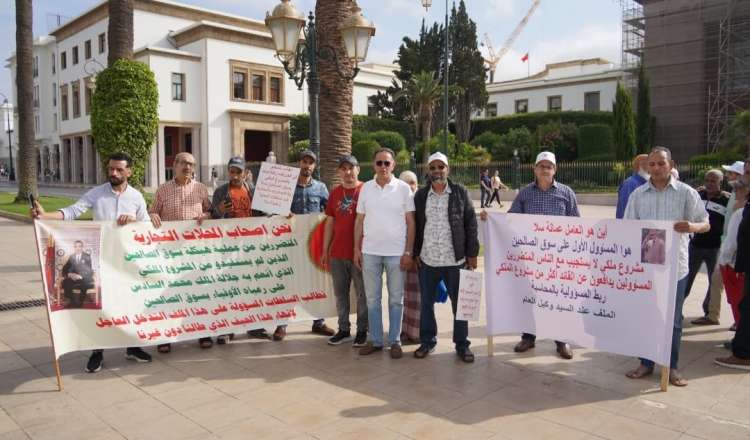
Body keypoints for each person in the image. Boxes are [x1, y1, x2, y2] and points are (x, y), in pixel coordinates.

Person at [31, 152, 152, 373]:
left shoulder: (136, 197)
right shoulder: (97, 193)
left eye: (119, 169)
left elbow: (146, 225)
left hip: (127, 261)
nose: (113, 173)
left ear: (129, 172)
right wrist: (45, 215)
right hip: (101, 261)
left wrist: (133, 220)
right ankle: (97, 352)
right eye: (111, 168)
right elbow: (73, 211)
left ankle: (132, 348)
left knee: (129, 303)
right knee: (99, 307)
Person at [623, 146, 710, 386]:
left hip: (675, 268)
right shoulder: (638, 195)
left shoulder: (686, 193)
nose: (656, 168)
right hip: (647, 267)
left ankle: (670, 366)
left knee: (673, 320)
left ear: (671, 165)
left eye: (661, 163)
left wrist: (691, 227)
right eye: (652, 164)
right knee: (647, 316)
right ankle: (646, 362)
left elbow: (705, 223)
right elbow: (627, 227)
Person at [485, 151, 579, 360]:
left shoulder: (566, 193)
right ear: (535, 169)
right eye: (541, 166)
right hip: (530, 259)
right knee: (529, 298)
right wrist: (490, 219)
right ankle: (528, 337)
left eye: (549, 166)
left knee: (557, 300)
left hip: (557, 259)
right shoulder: (525, 194)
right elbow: (510, 220)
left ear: (555, 170)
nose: (545, 169)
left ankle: (561, 340)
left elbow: (576, 224)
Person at [412, 152, 479, 363]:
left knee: (459, 305)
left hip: (455, 261)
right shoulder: (421, 195)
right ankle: (427, 341)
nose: (437, 171)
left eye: (441, 167)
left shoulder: (460, 192)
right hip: (428, 260)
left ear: (447, 169)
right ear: (428, 171)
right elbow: (415, 226)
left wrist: (472, 254)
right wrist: (415, 253)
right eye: (433, 167)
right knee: (426, 304)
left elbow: (471, 223)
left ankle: (462, 344)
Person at [354, 147, 415, 359]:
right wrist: (356, 248)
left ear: (393, 165)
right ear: (374, 165)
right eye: (379, 163)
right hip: (370, 252)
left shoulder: (404, 189)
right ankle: (376, 340)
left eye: (386, 163)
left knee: (396, 299)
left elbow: (411, 222)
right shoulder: (366, 188)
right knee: (372, 299)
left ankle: (395, 341)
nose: (383, 167)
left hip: (396, 253)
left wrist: (408, 251)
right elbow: (359, 221)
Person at [149, 152, 213, 353]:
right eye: (184, 163)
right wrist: (153, 215)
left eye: (191, 164)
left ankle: (202, 332)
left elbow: (210, 211)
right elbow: (152, 211)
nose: (188, 167)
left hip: (194, 251)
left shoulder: (201, 188)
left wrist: (206, 215)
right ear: (175, 165)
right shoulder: (163, 189)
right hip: (169, 252)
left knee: (197, 292)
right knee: (169, 294)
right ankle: (165, 335)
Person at [272, 149, 334, 341]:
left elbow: (330, 212)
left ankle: (318, 322)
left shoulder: (321, 188)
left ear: (314, 166)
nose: (307, 165)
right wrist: (283, 212)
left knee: (315, 281)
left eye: (310, 162)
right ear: (299, 163)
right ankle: (282, 323)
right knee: (289, 283)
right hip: (290, 244)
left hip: (313, 244)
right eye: (304, 162)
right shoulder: (286, 187)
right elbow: (272, 211)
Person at [322, 155, 368, 347]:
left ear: (358, 169)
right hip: (338, 254)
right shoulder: (335, 193)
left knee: (362, 294)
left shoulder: (367, 190)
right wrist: (325, 250)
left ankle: (363, 330)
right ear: (339, 171)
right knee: (341, 294)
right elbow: (330, 222)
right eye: (344, 168)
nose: (348, 172)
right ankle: (343, 329)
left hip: (361, 253)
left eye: (351, 168)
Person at [211, 156, 255, 342]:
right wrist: (220, 210)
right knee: (228, 287)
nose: (235, 175)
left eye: (238, 172)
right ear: (228, 172)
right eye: (232, 171)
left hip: (250, 246)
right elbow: (212, 218)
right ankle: (226, 328)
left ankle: (254, 326)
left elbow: (263, 214)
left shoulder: (252, 190)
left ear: (245, 173)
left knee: (252, 286)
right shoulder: (221, 191)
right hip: (228, 246)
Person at [716, 159, 750, 370]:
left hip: (738, 266)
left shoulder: (741, 211)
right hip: (741, 265)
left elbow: (734, 242)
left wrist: (726, 260)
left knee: (743, 307)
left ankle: (743, 352)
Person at [684, 169, 728, 325]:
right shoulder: (698, 195)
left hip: (715, 248)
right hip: (695, 246)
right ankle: (675, 310)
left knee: (713, 283)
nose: (709, 184)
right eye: (707, 180)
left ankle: (709, 314)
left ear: (720, 183)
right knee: (685, 279)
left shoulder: (726, 200)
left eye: (713, 181)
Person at [718, 179, 748, 331]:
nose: (735, 192)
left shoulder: (740, 214)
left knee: (737, 303)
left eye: (738, 189)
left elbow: (732, 243)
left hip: (734, 266)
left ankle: (740, 336)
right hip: (739, 265)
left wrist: (723, 261)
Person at [398, 170, 421, 344]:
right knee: (401, 295)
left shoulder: (421, 202)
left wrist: (415, 252)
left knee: (418, 296)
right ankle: (404, 330)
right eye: (405, 182)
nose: (409, 186)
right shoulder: (396, 201)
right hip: (398, 255)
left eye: (412, 182)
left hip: (418, 255)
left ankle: (417, 332)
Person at [61, 240, 94, 308]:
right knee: (66, 282)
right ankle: (72, 301)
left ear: (82, 247)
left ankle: (79, 303)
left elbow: (89, 270)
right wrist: (69, 274)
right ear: (74, 248)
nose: (77, 248)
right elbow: (65, 268)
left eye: (79, 246)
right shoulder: (72, 256)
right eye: (76, 247)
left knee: (84, 284)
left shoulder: (87, 256)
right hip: (73, 277)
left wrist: (80, 276)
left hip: (83, 277)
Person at [616, 154, 649, 219]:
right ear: (641, 166)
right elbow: (625, 208)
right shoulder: (630, 184)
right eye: (651, 164)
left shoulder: (645, 183)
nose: (654, 168)